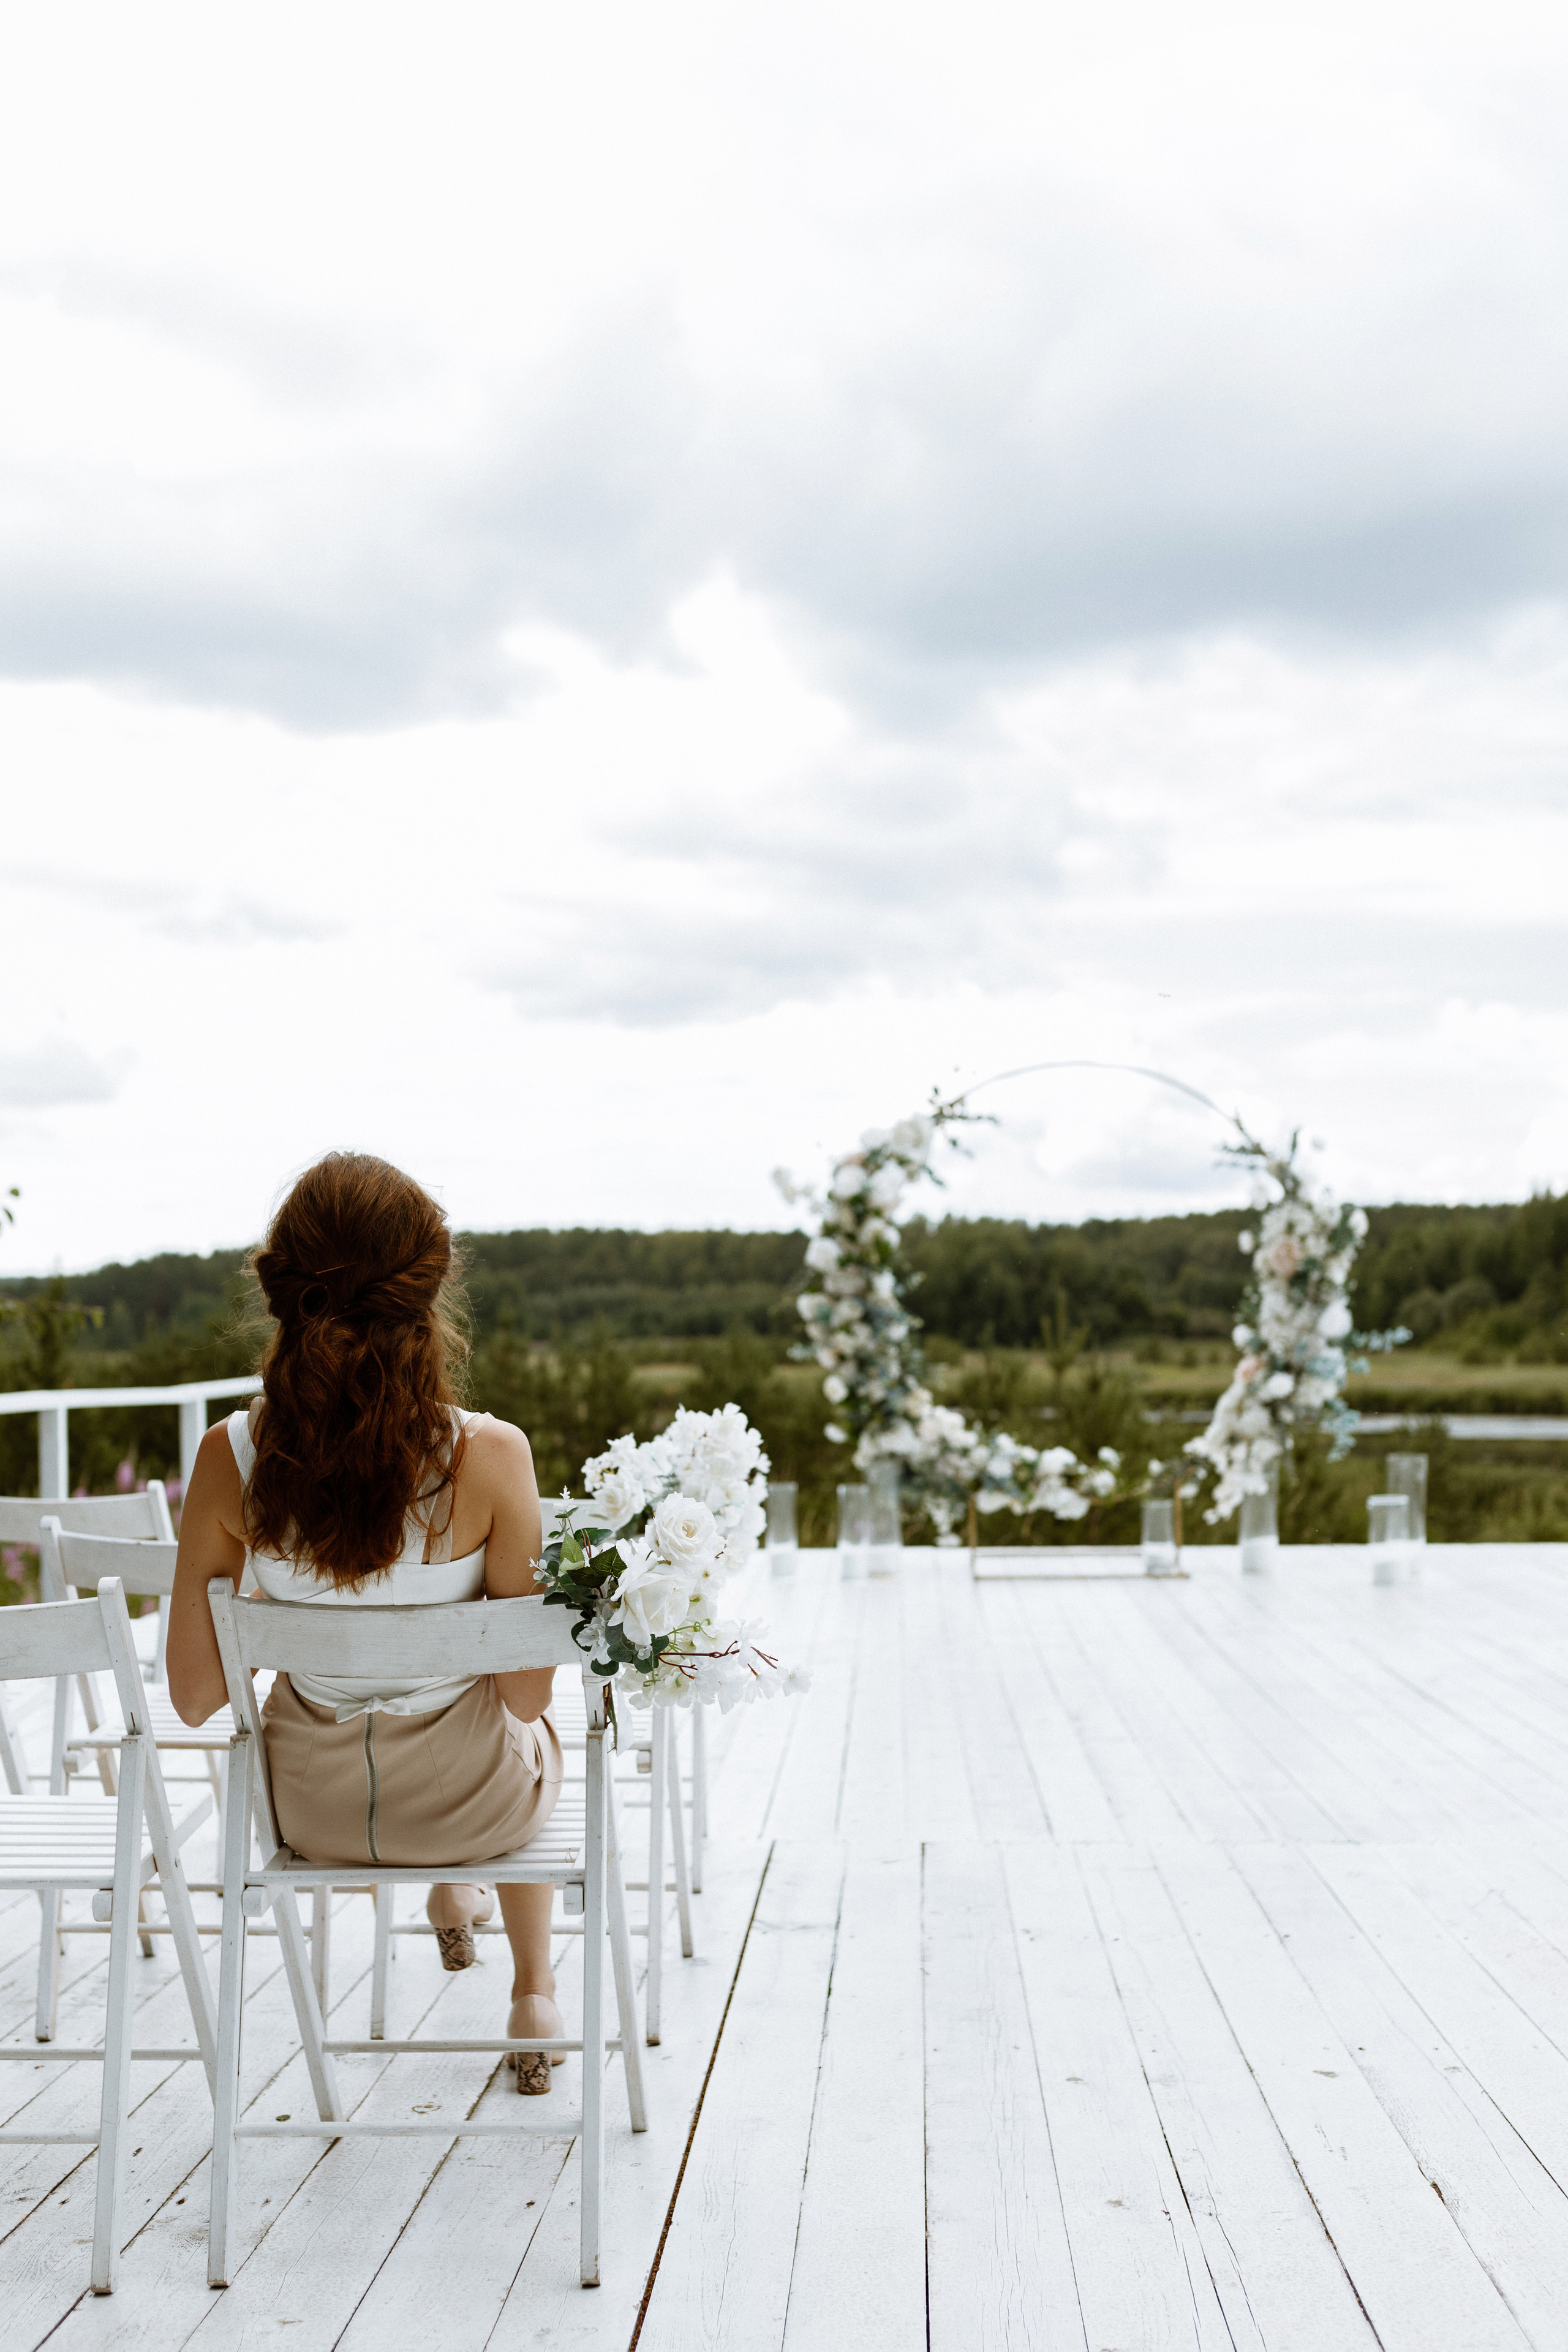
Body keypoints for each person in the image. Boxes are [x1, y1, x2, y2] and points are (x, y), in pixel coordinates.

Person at [168, 1152, 565, 2094]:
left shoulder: (228, 1460)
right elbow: (521, 1695)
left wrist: (288, 1612)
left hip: (311, 1815)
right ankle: (535, 1984)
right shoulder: (493, 1456)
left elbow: (191, 1699)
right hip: (474, 1804)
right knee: (547, 1735)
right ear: (427, 1293)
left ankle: (452, 1892)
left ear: (284, 1288)